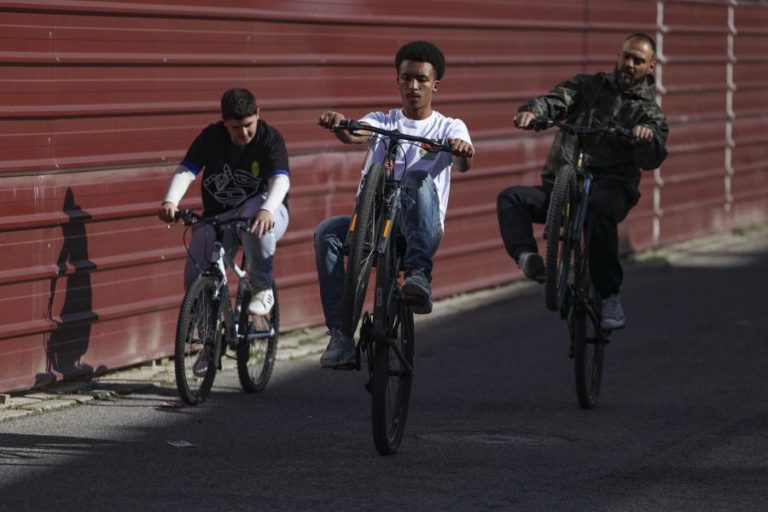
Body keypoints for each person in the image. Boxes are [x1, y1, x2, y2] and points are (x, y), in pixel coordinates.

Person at [315, 40, 475, 369]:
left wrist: (459, 149)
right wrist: (341, 124)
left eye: (422, 80)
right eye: (406, 79)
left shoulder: (449, 127)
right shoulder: (384, 122)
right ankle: (341, 335)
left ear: (435, 85)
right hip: (372, 226)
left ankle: (418, 275)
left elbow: (463, 162)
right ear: (397, 80)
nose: (413, 86)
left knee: (416, 179)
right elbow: (356, 133)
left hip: (418, 231)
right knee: (327, 233)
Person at [497, 33, 668, 330]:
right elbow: (556, 100)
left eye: (638, 60)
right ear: (618, 55)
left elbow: (653, 155)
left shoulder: (648, 111)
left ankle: (609, 296)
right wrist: (533, 112)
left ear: (650, 67)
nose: (629, 64)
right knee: (511, 198)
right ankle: (528, 259)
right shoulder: (589, 86)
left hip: (611, 186)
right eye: (625, 56)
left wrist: (645, 137)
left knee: (600, 212)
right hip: (564, 186)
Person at [158, 88, 290, 316]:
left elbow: (281, 179)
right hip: (220, 216)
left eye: (249, 124)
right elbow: (187, 170)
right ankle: (210, 335)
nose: (244, 132)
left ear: (258, 114)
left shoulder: (269, 138)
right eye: (236, 127)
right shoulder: (212, 137)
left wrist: (268, 209)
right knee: (194, 273)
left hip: (267, 213)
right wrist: (170, 201)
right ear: (224, 122)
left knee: (254, 215)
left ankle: (261, 287)